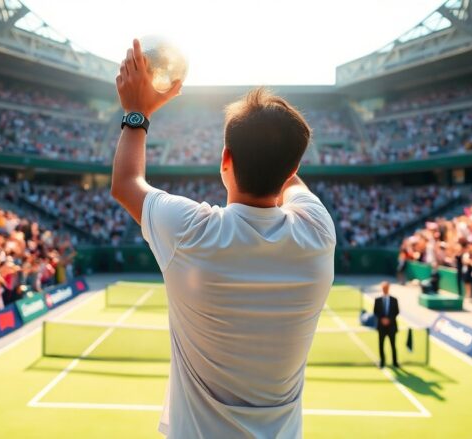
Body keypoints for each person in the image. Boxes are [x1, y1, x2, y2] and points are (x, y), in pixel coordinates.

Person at [110, 40, 335, 438]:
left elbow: (126, 183)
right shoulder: (318, 231)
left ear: (225, 160)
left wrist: (138, 112)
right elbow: (288, 176)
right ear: (293, 169)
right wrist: (271, 140)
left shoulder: (191, 230)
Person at [373, 282, 400, 368]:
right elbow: (375, 312)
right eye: (384, 288)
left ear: (388, 288)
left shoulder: (394, 300)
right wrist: (382, 319)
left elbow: (396, 311)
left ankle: (395, 362)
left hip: (391, 327)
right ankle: (382, 361)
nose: (385, 289)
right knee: (381, 344)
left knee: (393, 345)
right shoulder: (377, 300)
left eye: (386, 288)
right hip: (381, 327)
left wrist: (389, 320)